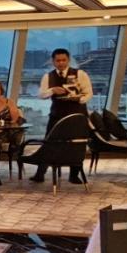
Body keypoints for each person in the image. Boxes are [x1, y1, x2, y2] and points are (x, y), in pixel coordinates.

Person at [31, 48, 91, 184]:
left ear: (68, 60)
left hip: (77, 114)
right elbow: (41, 95)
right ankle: (40, 173)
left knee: (77, 144)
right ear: (53, 62)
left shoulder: (80, 74)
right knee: (49, 142)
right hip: (57, 114)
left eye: (64, 60)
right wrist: (52, 90)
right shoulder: (48, 76)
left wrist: (78, 99)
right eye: (58, 61)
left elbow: (88, 93)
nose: (61, 63)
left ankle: (74, 175)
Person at [0, 80, 26, 157]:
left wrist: (1, 126)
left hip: (6, 132)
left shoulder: (9, 102)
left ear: (1, 90)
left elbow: (15, 120)